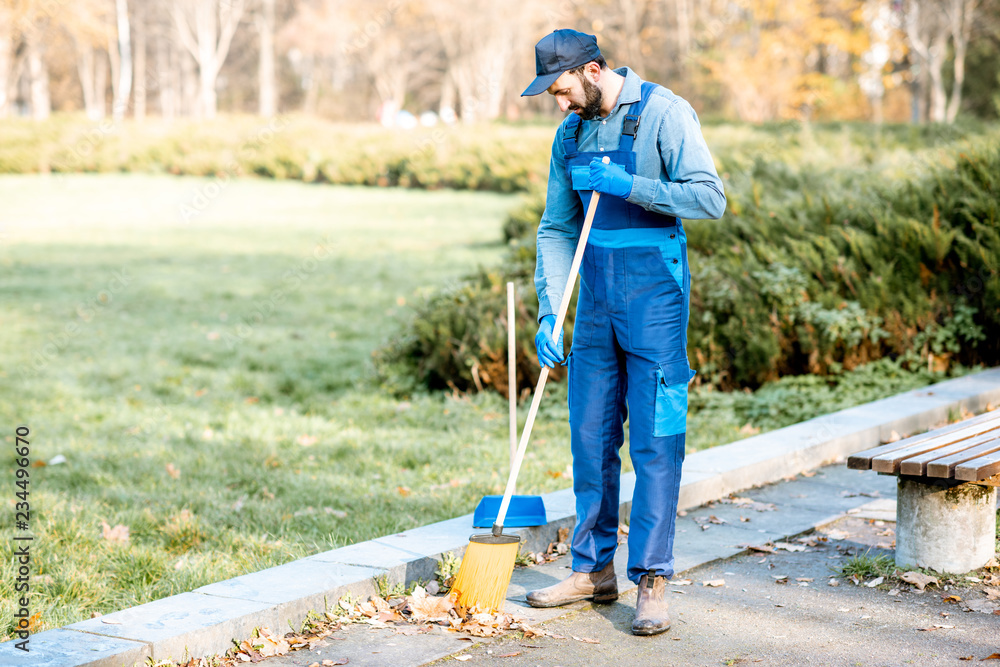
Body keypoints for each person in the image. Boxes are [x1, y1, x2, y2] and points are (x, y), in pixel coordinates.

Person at [520, 29, 726, 636]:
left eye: (561, 90)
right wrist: (549, 308)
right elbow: (557, 229)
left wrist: (629, 187)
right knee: (590, 436)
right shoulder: (571, 133)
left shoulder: (664, 113)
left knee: (656, 444)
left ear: (592, 70)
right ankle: (593, 571)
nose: (559, 104)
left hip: (655, 302)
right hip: (596, 307)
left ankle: (652, 580)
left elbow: (710, 198)